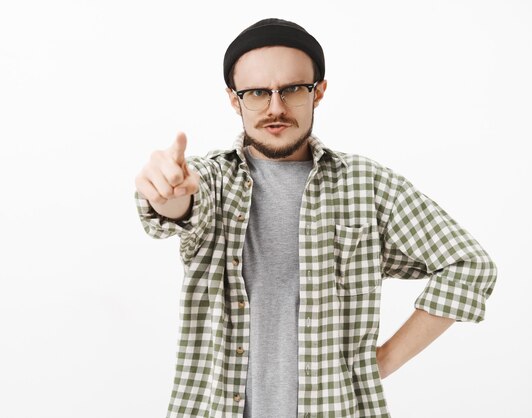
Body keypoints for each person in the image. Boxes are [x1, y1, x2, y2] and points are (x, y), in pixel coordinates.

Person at [134, 18, 498, 418]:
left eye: (291, 89)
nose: (275, 108)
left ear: (318, 91)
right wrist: (164, 192)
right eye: (257, 92)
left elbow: (469, 265)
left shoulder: (367, 185)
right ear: (234, 100)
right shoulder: (209, 181)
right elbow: (176, 211)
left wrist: (380, 363)